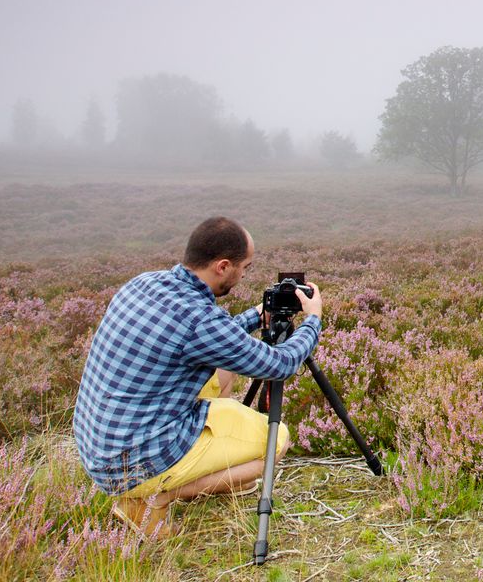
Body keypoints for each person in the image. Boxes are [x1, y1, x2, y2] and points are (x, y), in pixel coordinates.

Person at [73, 216, 323, 539]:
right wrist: (313, 320)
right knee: (277, 443)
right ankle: (154, 498)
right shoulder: (200, 320)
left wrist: (256, 315)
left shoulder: (144, 283)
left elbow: (204, 338)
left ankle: (205, 468)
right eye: (243, 267)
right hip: (134, 460)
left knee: (224, 368)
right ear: (222, 266)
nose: (244, 275)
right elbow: (281, 363)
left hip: (99, 445)